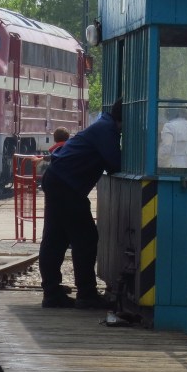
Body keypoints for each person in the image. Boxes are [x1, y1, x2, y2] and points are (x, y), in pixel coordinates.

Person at [39, 99, 123, 309]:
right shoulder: (107, 130)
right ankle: (86, 294)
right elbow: (115, 163)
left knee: (55, 238)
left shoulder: (103, 125)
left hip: (58, 180)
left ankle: (52, 292)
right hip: (66, 185)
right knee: (85, 238)